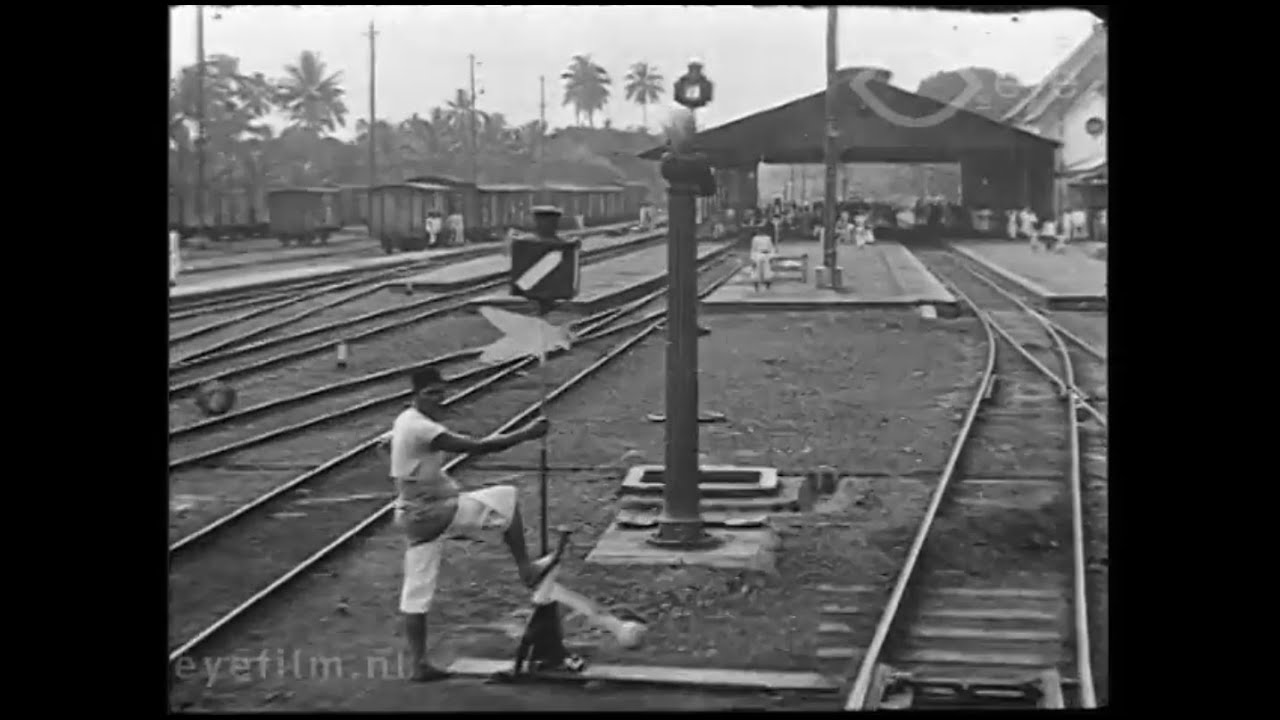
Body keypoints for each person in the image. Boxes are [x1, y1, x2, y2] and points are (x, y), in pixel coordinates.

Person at [384, 367, 557, 682]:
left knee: (416, 591)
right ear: (416, 395)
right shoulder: (423, 428)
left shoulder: (405, 420)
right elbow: (478, 447)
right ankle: (526, 570)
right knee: (506, 499)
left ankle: (419, 665)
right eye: (431, 393)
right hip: (432, 513)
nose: (439, 399)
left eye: (441, 391)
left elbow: (390, 443)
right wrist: (526, 434)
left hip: (412, 517)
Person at [749, 222, 777, 291]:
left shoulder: (768, 238)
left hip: (766, 254)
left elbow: (771, 248)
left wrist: (772, 256)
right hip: (758, 254)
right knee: (756, 270)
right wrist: (752, 258)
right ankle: (756, 284)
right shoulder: (755, 239)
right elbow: (753, 249)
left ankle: (767, 283)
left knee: (767, 270)